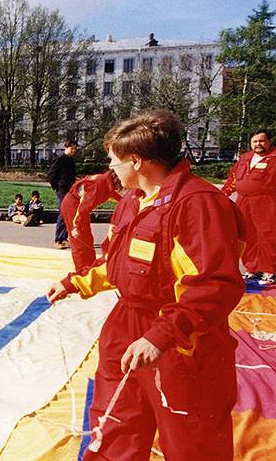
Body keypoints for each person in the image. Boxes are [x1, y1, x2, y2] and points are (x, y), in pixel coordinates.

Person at [47, 110, 248, 461]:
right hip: (127, 325)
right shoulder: (132, 200)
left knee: (192, 438)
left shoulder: (197, 205)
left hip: (183, 341)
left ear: (136, 161)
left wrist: (161, 335)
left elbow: (215, 285)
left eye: (114, 162)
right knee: (113, 424)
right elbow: (120, 263)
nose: (111, 170)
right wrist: (75, 283)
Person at [222, 129, 276, 283]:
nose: (258, 144)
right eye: (255, 141)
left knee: (268, 236)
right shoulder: (245, 158)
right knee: (247, 235)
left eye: (262, 141)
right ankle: (252, 268)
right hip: (243, 202)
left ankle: (270, 270)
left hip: (267, 202)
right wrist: (224, 193)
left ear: (269, 142)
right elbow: (233, 178)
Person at [60, 170, 123, 274]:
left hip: (75, 205)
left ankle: (89, 266)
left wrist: (127, 201)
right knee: (79, 240)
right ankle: (82, 271)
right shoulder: (100, 184)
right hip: (73, 206)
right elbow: (83, 207)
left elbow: (113, 195)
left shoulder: (105, 181)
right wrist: (77, 226)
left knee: (87, 239)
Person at [47, 141, 78, 248]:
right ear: (66, 147)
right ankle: (59, 239)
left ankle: (64, 238)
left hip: (70, 189)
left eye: (75, 149)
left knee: (68, 213)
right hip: (62, 189)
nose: (73, 151)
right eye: (72, 148)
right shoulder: (60, 159)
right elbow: (51, 174)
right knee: (63, 212)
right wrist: (56, 186)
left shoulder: (71, 161)